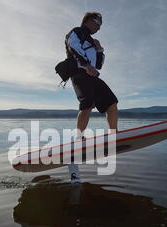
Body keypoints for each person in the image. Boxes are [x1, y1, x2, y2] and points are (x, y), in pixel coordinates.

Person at [65, 12, 119, 182]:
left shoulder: (93, 41)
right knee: (87, 104)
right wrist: (86, 65)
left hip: (93, 76)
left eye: (101, 24)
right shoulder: (77, 32)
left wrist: (99, 50)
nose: (99, 26)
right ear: (87, 20)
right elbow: (72, 46)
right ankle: (78, 139)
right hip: (79, 74)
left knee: (112, 103)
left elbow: (98, 65)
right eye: (97, 22)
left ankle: (113, 135)